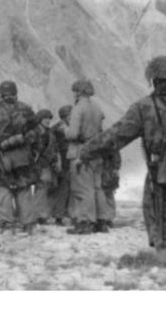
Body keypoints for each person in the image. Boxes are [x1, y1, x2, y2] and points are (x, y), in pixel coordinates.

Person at [79, 56, 166, 262]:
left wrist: (86, 151)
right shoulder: (144, 107)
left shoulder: (144, 107)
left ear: (152, 79)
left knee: (157, 214)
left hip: (160, 171)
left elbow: (116, 136)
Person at [0, 81, 38, 235]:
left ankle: (7, 223)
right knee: (23, 189)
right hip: (22, 156)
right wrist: (25, 143)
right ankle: (27, 224)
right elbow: (35, 133)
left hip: (2, 155)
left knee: (3, 190)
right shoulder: (26, 109)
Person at [64, 79, 106, 234]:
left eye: (74, 91)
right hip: (96, 150)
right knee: (97, 187)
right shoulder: (97, 108)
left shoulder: (78, 109)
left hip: (80, 151)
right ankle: (102, 221)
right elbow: (101, 131)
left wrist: (65, 130)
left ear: (78, 92)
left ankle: (85, 222)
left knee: (82, 188)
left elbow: (73, 134)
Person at [32, 109, 57, 225]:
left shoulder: (49, 132)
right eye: (45, 118)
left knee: (44, 188)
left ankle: (41, 213)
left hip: (46, 163)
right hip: (38, 164)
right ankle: (38, 214)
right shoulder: (35, 132)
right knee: (41, 188)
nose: (47, 121)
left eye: (49, 119)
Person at [50, 105, 73, 225]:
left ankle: (65, 212)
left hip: (69, 161)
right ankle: (58, 215)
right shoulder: (57, 129)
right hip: (62, 162)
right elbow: (53, 146)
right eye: (70, 116)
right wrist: (57, 159)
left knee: (69, 187)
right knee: (62, 188)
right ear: (64, 117)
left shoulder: (68, 127)